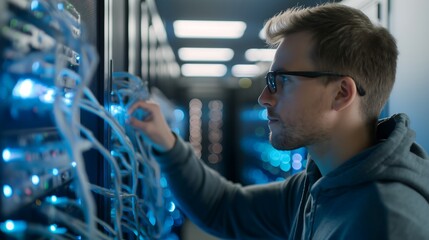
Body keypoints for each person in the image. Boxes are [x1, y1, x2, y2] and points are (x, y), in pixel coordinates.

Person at [127, 3, 429, 239]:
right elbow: (224, 207)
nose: (264, 98)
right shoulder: (315, 186)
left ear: (341, 93)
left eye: (280, 80)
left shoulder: (388, 222)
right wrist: (166, 142)